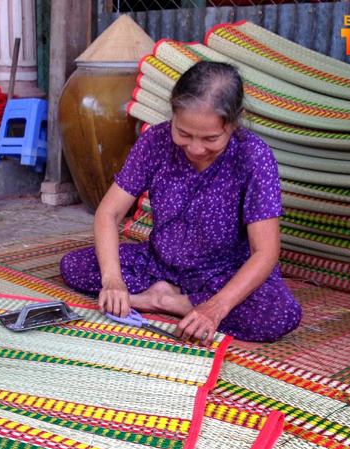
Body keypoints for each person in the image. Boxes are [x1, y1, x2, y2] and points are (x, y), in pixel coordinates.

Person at [60, 61, 302, 345]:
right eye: (184, 133)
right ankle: (157, 296)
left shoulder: (253, 157)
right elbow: (109, 213)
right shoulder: (155, 141)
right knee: (77, 266)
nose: (196, 149)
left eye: (211, 138)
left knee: (278, 313)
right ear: (173, 113)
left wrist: (217, 307)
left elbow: (265, 252)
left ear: (235, 121)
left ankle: (172, 303)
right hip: (159, 264)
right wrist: (113, 280)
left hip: (223, 274)